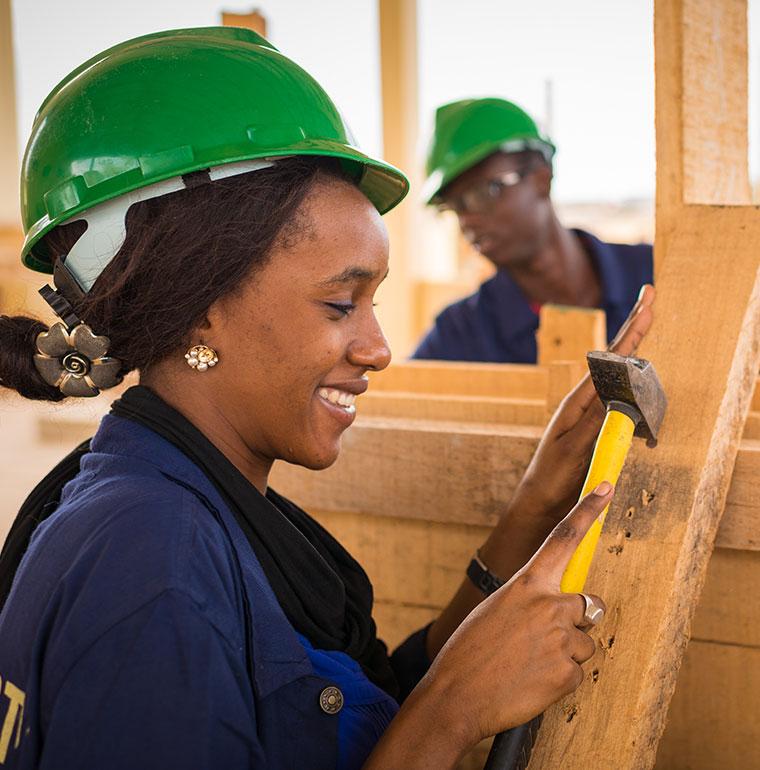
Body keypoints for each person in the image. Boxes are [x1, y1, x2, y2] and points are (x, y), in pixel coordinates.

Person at [0, 28, 654, 769]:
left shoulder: (184, 497)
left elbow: (358, 709)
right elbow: (416, 721)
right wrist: (450, 714)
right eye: (342, 305)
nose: (377, 348)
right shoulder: (151, 574)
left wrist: (537, 499)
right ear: (201, 306)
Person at [413, 97, 653, 363]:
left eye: (483, 193)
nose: (466, 220)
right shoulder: (462, 332)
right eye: (454, 207)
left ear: (542, 179)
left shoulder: (655, 272)